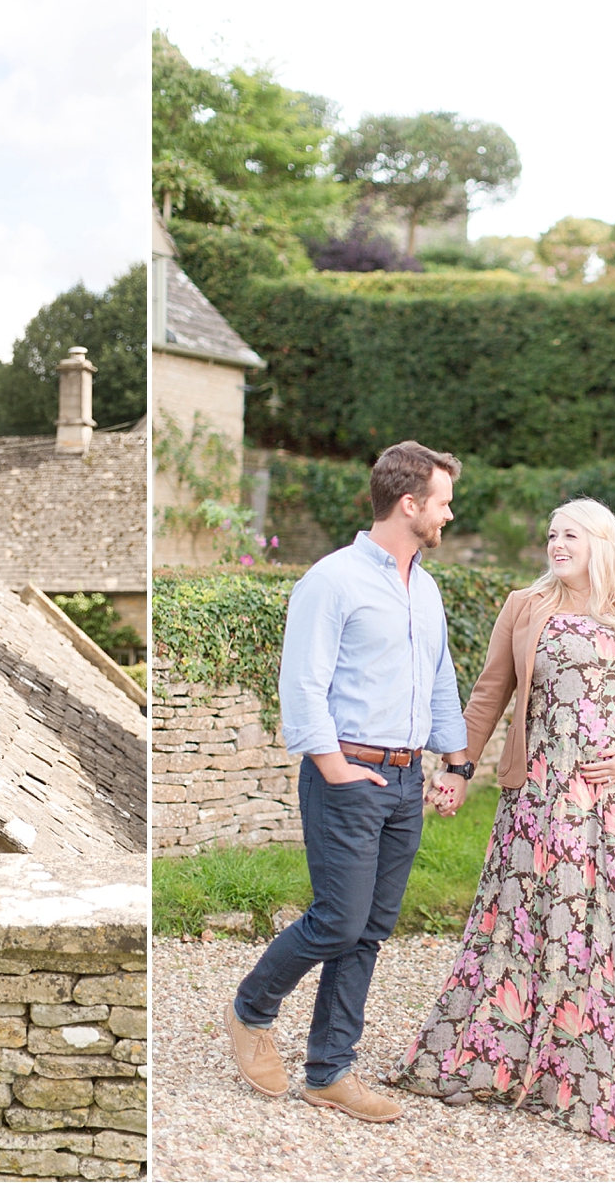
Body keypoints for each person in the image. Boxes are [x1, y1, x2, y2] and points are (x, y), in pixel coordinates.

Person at [387, 498, 615, 1146]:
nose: (556, 542)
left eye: (570, 534)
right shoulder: (526, 606)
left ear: (602, 542)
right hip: (541, 796)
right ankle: (510, 1065)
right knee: (524, 921)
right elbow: (490, 692)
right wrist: (458, 768)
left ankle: (608, 1087)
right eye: (551, 533)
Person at [224, 441, 474, 1123]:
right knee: (337, 920)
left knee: (369, 931)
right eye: (443, 503)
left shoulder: (425, 587)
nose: (450, 515)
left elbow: (440, 681)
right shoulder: (331, 581)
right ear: (409, 503)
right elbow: (302, 681)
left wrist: (454, 763)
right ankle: (251, 1010)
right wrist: (334, 767)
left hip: (405, 778)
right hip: (348, 776)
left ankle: (330, 1071)